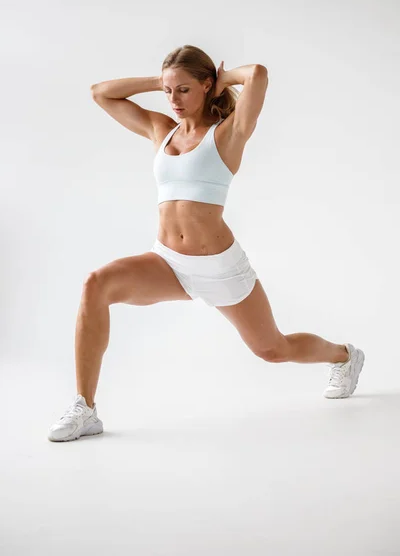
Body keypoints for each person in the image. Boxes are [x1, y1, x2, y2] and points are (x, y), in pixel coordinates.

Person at [48, 44, 365, 442]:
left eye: (184, 90)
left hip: (220, 268)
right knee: (96, 283)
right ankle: (85, 408)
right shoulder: (160, 130)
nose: (174, 100)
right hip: (167, 263)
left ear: (206, 86)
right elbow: (100, 92)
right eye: (168, 91)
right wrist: (162, 81)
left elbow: (259, 74)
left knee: (273, 349)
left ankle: (344, 356)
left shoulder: (229, 134)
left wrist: (221, 80)